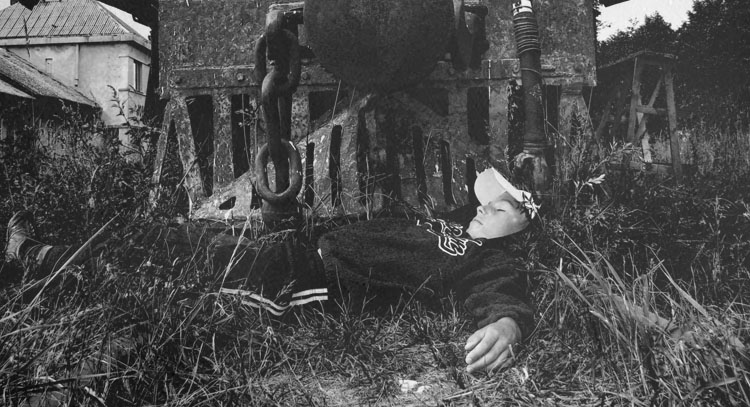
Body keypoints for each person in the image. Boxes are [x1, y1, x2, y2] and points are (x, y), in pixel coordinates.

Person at [5, 167, 537, 374]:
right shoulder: (452, 225)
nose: (484, 209)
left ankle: (44, 266)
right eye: (485, 202)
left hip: (310, 282)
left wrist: (507, 323)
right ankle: (51, 250)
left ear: (523, 227)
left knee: (185, 278)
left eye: (500, 208)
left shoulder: (491, 258)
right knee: (179, 238)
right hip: (299, 249)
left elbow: (502, 291)